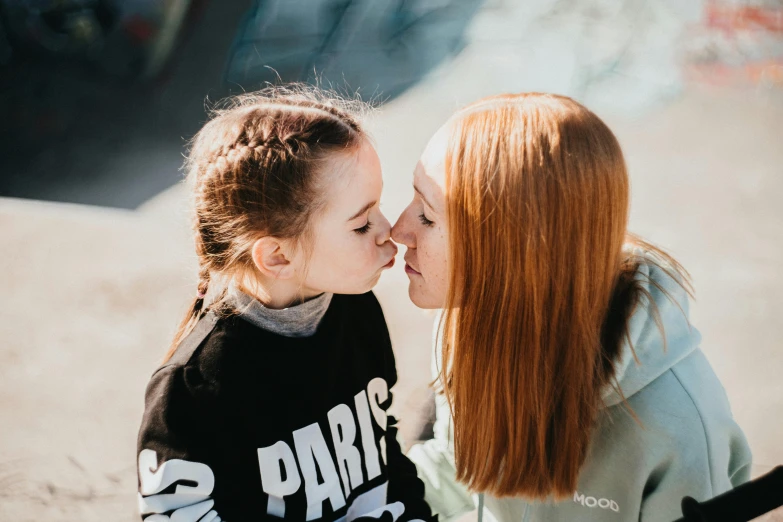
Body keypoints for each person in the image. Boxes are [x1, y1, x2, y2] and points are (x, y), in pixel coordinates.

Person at [391, 93, 752, 522]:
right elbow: (459, 473)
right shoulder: (467, 321)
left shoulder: (674, 426)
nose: (398, 230)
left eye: (427, 217)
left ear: (516, 248)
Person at [136, 86, 433, 522]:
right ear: (277, 256)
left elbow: (382, 453)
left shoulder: (356, 309)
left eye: (379, 208)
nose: (387, 230)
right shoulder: (196, 390)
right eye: (360, 223)